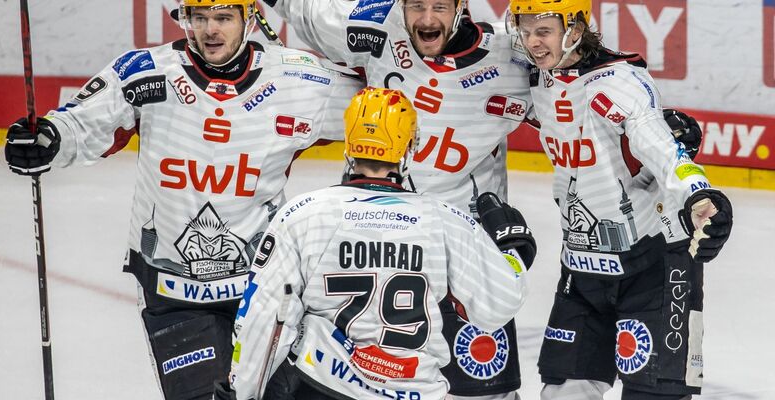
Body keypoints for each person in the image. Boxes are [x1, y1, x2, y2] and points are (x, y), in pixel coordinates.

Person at [3, 0, 363, 398]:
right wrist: (48, 139)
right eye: (199, 18)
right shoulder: (148, 73)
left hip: (264, 287)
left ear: (250, 20)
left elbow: (382, 104)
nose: (210, 30)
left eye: (223, 18)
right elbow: (81, 121)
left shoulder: (301, 79)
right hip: (173, 291)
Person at [259, 0, 535, 397]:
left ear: (461, 8)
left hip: (460, 259)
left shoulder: (511, 59)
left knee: (485, 394)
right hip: (378, 258)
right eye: (416, 6)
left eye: (439, 6)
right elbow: (308, 10)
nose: (426, 19)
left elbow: (570, 98)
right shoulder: (373, 27)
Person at [507, 0, 734, 398]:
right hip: (582, 270)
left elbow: (662, 148)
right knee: (563, 393)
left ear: (575, 29)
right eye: (524, 31)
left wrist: (699, 193)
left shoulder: (620, 82)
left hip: (656, 267)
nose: (531, 42)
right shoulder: (534, 75)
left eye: (542, 31)